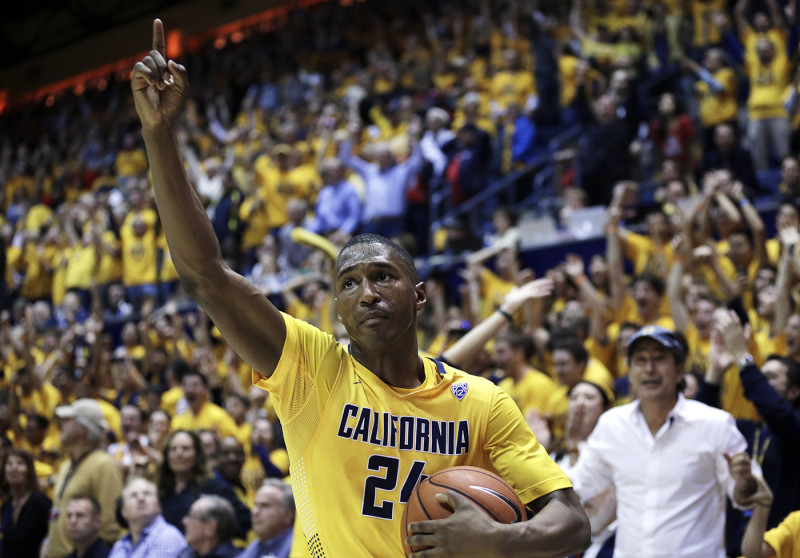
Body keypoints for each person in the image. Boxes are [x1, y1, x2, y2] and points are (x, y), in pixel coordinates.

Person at [132, 19, 590, 558]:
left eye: (382, 276)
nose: (366, 292)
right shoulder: (310, 367)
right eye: (348, 283)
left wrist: (502, 541)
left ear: (419, 296)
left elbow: (573, 524)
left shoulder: (482, 404)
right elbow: (204, 276)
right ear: (337, 309)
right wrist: (159, 135)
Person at [570, 326, 760, 557]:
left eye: (659, 359)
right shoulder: (612, 425)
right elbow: (580, 485)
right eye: (640, 360)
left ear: (680, 370)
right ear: (629, 372)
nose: (649, 369)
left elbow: (745, 496)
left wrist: (743, 483)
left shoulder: (715, 424)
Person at [47, 399, 123, 558]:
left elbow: (109, 526)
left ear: (82, 429)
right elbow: (58, 511)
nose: (62, 424)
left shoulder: (104, 465)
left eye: (68, 421)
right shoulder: (65, 465)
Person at [157, 430, 250, 537]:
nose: (179, 454)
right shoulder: (163, 490)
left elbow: (244, 517)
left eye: (185, 448)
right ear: (167, 455)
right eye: (173, 449)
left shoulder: (212, 486)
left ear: (197, 454)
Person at [109, 477, 186, 558]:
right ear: (123, 511)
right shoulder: (120, 545)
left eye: (147, 494)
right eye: (133, 495)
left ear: (158, 506)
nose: (141, 498)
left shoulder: (167, 535)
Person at [0, 448, 51, 558]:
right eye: (9, 464)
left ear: (29, 470)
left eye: (20, 463)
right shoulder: (7, 505)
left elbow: (54, 531)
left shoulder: (40, 501)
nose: (14, 468)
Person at [236, 480, 294, 558]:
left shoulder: (299, 546)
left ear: (288, 515)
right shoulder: (255, 547)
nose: (255, 512)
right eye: (255, 505)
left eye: (265, 505)